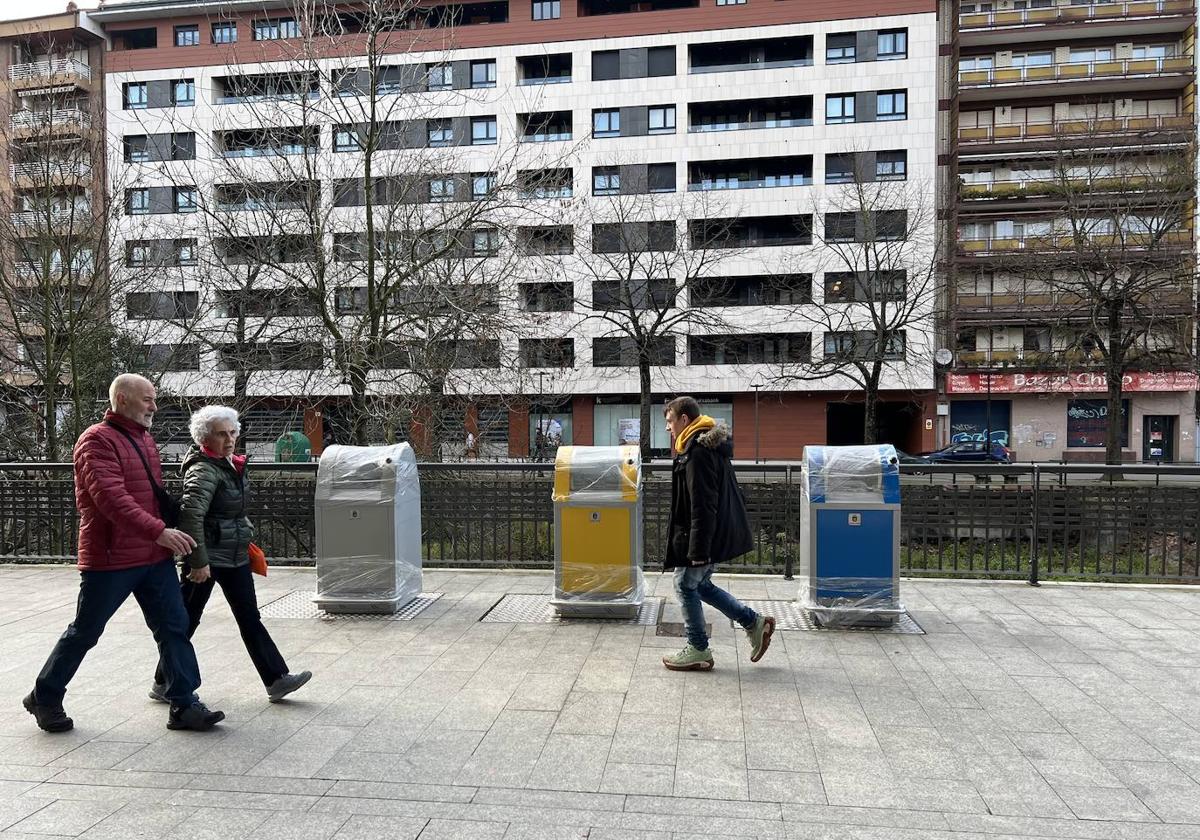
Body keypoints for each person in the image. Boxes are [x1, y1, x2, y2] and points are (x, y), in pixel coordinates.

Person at [24, 374, 225, 733]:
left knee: (174, 627)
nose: (154, 406)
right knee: (86, 631)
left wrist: (165, 534)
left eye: (154, 399)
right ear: (122, 399)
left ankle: (184, 704)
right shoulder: (95, 441)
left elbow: (148, 495)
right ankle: (45, 695)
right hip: (110, 557)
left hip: (152, 556)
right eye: (148, 399)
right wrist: (159, 531)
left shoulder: (144, 439)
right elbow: (112, 500)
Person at [149, 405, 311, 704]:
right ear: (204, 439)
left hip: (233, 555)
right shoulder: (203, 470)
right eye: (222, 434)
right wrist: (197, 562)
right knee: (186, 621)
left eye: (233, 432)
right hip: (207, 559)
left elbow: (231, 513)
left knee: (249, 617)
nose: (230, 439)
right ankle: (163, 682)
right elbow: (191, 517)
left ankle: (276, 680)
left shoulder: (227, 464)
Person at [661, 396, 775, 671]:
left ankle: (698, 647)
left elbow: (703, 505)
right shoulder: (702, 446)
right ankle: (754, 623)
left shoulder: (698, 452)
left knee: (684, 584)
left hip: (705, 537)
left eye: (669, 421)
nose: (667, 428)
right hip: (713, 533)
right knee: (700, 586)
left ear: (684, 420)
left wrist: (699, 551)